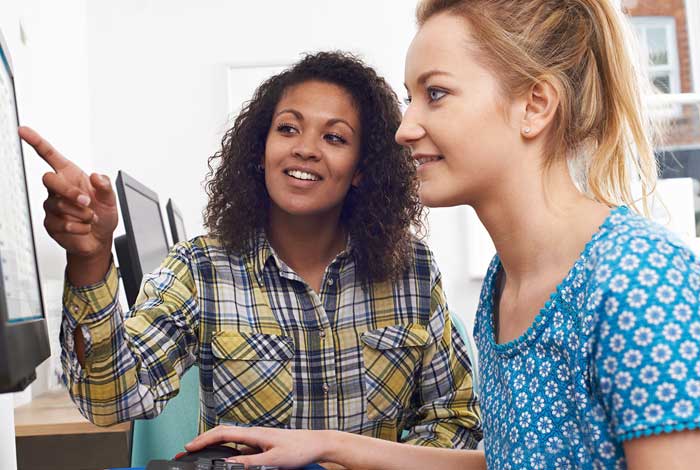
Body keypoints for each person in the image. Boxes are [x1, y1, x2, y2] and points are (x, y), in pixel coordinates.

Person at [186, 1, 700, 468]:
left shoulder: (638, 277)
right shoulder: (506, 283)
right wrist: (326, 443)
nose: (405, 128)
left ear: (535, 106)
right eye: (412, 98)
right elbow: (504, 464)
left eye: (436, 94)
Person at [22, 51, 481, 447]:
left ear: (362, 168)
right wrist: (89, 258)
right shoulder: (199, 270)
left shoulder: (413, 270)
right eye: (288, 129)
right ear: (260, 151)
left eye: (334, 137)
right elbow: (110, 400)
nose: (305, 149)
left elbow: (454, 417)